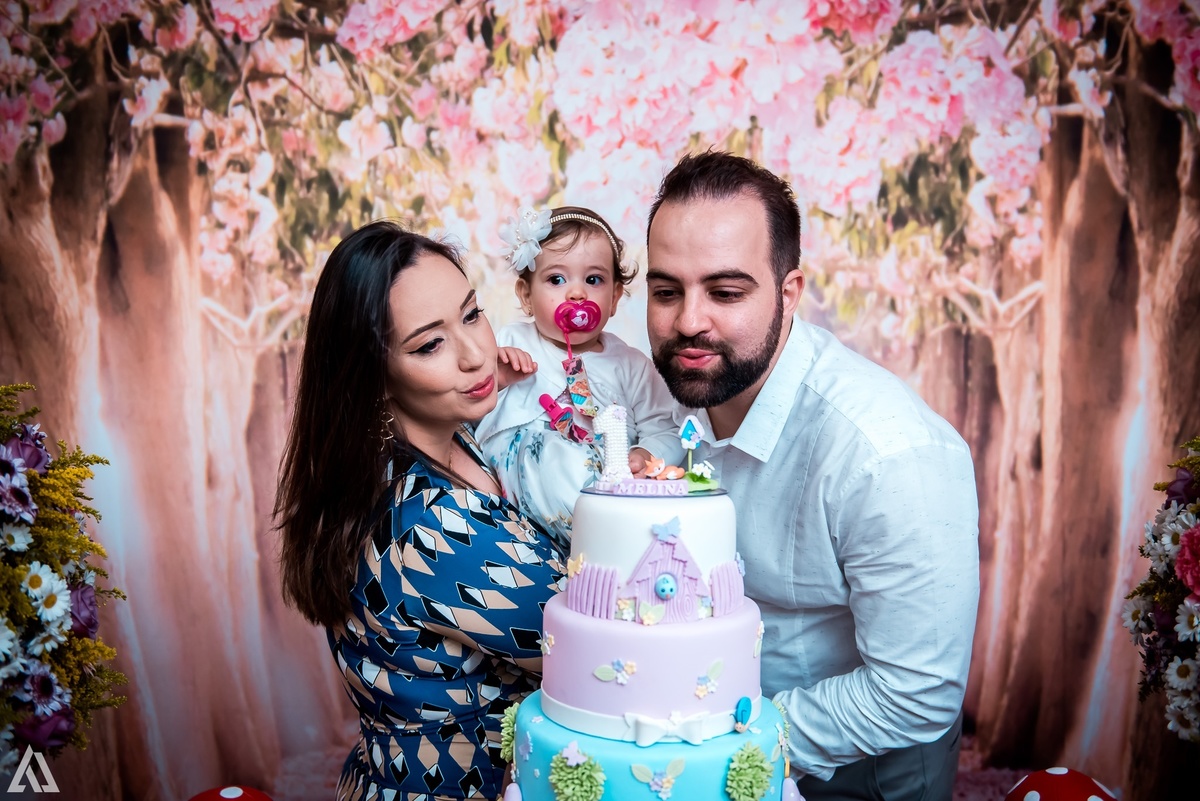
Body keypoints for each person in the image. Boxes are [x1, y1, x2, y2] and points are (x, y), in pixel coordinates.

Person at [644, 151, 980, 801]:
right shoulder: (672, 395)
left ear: (790, 292)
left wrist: (727, 743)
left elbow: (917, 692)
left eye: (726, 291)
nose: (688, 320)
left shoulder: (886, 455)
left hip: (856, 781)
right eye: (666, 291)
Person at [275, 221, 565, 801]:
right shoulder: (434, 526)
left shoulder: (420, 452)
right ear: (373, 376)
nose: (476, 353)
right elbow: (593, 647)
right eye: (429, 344)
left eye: (473, 313)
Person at [476, 205, 683, 550]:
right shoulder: (510, 344)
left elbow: (667, 427)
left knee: (628, 497)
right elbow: (463, 407)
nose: (576, 293)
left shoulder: (631, 365)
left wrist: (645, 452)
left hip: (600, 496)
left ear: (615, 298)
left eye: (594, 280)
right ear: (526, 296)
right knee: (555, 456)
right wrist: (496, 377)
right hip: (517, 500)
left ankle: (611, 549)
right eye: (556, 279)